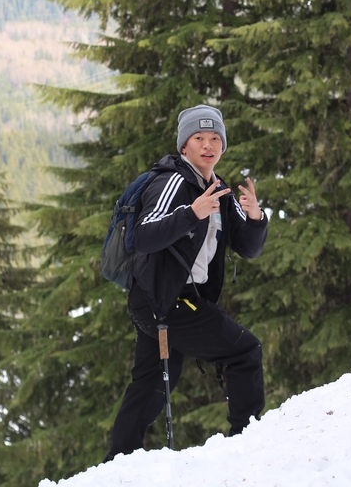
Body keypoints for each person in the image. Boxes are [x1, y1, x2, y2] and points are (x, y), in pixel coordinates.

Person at [104, 105, 268, 460]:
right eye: (199, 138)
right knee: (244, 351)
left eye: (215, 139)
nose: (208, 145)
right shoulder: (173, 182)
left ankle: (116, 465)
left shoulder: (217, 188)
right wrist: (192, 212)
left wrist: (255, 217)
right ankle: (247, 444)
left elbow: (247, 247)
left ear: (222, 145)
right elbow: (143, 236)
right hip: (164, 299)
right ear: (184, 146)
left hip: (166, 299)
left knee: (150, 385)